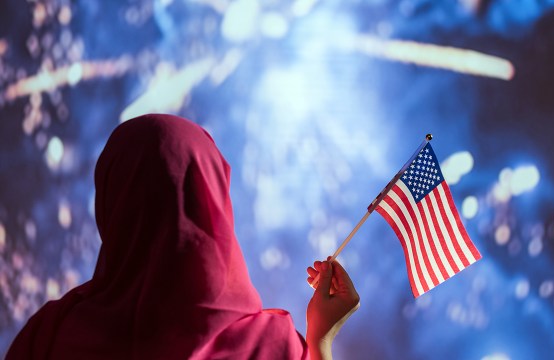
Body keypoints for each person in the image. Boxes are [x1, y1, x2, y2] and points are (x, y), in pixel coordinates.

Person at [6, 114, 359, 360]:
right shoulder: (269, 348)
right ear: (215, 201)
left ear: (112, 203)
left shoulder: (47, 339)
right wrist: (320, 341)